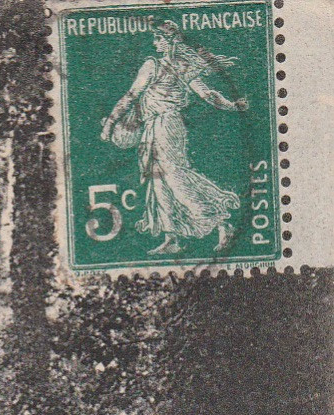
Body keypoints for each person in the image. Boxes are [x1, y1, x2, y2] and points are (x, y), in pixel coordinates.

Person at [101, 21, 248, 255]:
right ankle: (172, 238)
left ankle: (221, 222)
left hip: (167, 126)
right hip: (153, 126)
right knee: (157, 180)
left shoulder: (157, 66)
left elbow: (132, 95)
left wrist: (110, 122)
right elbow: (207, 94)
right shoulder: (177, 67)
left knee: (174, 176)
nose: (155, 43)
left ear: (171, 42)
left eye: (158, 39)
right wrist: (232, 105)